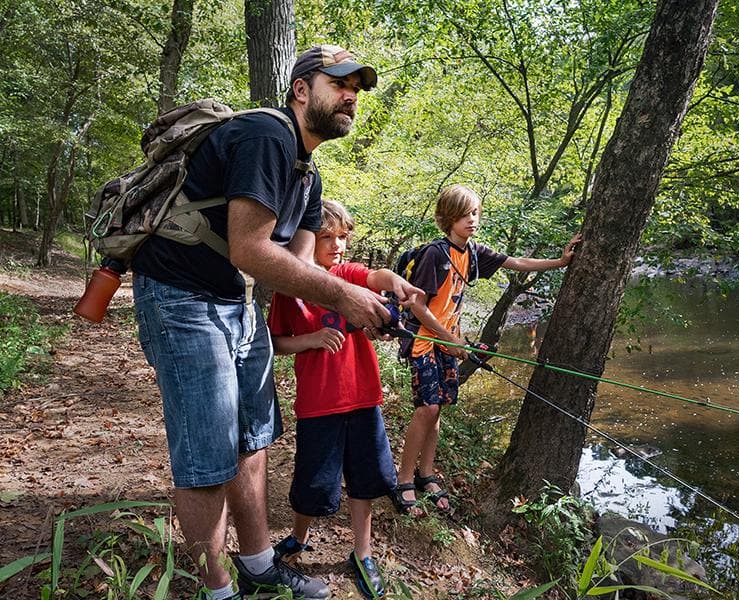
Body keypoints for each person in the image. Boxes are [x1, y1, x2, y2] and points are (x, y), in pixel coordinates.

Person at [131, 45, 410, 600]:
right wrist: (346, 295)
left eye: (358, 87)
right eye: (339, 83)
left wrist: (360, 296)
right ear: (302, 90)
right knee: (208, 458)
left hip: (238, 306)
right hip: (181, 299)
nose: (351, 95)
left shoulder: (309, 177)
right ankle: (219, 590)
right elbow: (250, 249)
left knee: (253, 440)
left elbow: (295, 275)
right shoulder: (266, 135)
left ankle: (258, 567)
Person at [392, 184, 581, 516]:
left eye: (476, 213)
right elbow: (418, 306)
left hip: (447, 343)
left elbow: (517, 262)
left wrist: (561, 262)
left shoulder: (473, 252)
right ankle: (404, 479)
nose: (472, 220)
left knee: (438, 409)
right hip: (423, 340)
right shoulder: (436, 255)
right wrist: (451, 340)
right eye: (464, 214)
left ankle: (426, 473)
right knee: (426, 409)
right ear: (447, 218)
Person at [267, 199, 420, 598]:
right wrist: (311, 340)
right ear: (305, 240)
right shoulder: (291, 288)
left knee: (365, 479)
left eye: (343, 237)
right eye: (326, 237)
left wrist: (396, 283)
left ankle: (362, 553)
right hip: (318, 403)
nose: (337, 245)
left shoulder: (346, 275)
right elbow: (274, 342)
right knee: (313, 480)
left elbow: (375, 276)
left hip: (363, 398)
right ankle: (298, 538)